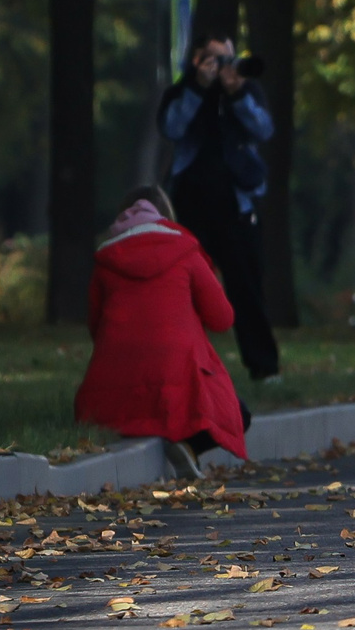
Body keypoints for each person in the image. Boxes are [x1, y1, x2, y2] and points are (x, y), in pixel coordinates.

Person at [73, 185, 249, 480]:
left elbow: (97, 328)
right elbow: (222, 319)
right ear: (167, 217)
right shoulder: (185, 251)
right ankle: (188, 448)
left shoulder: (106, 260)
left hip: (110, 391)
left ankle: (176, 445)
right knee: (239, 414)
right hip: (176, 390)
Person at [160, 36, 279, 382]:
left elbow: (264, 129)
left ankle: (264, 366)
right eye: (213, 59)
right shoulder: (183, 91)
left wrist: (237, 92)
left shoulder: (245, 90)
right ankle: (183, 366)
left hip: (236, 204)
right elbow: (171, 127)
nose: (222, 65)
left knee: (247, 286)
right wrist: (198, 88)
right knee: (184, 288)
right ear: (196, 60)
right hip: (189, 204)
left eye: (227, 58)